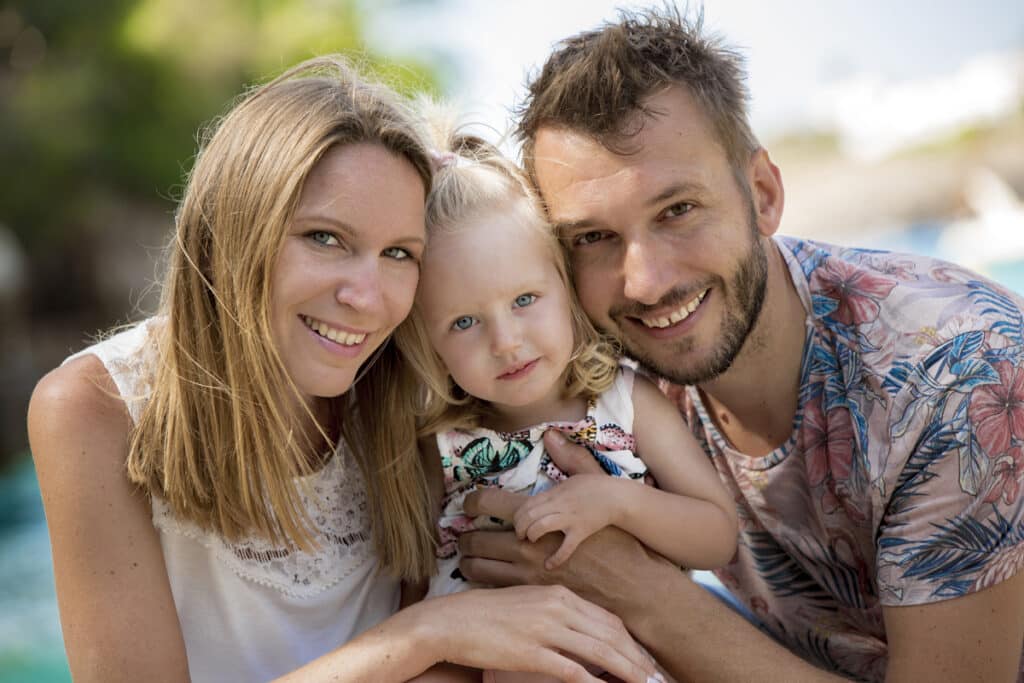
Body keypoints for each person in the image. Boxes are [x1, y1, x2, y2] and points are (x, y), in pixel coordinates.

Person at [26, 55, 664, 683]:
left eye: (398, 253)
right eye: (326, 238)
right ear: (236, 230)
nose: (369, 297)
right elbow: (442, 632)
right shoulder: (94, 406)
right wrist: (425, 636)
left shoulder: (418, 379)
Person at [456, 8, 1024, 682]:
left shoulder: (957, 374)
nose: (645, 281)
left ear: (763, 194)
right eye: (593, 238)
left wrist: (645, 595)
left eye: (677, 211)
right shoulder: (608, 359)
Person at [392, 124, 737, 682]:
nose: (505, 341)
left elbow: (717, 536)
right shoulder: (445, 444)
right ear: (427, 344)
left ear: (567, 290)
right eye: (464, 322)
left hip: (611, 654)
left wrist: (617, 502)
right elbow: (417, 585)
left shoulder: (624, 403)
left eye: (525, 299)